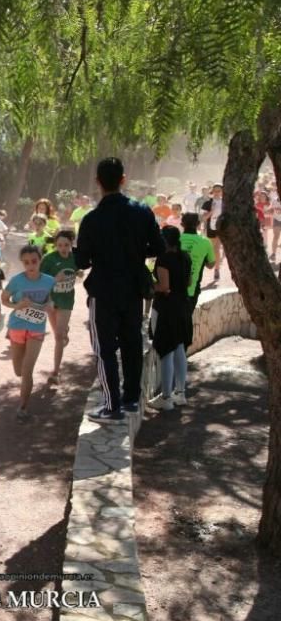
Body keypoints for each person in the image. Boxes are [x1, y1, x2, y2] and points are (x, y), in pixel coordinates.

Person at [75, 157, 164, 423]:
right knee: (131, 343)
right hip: (133, 289)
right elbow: (159, 248)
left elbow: (82, 261)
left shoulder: (91, 219)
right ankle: (131, 400)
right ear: (123, 180)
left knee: (105, 350)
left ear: (98, 182)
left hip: (103, 290)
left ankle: (111, 406)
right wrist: (138, 252)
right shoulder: (142, 212)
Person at [2, 245, 55, 419]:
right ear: (22, 263)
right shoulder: (17, 280)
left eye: (34, 261)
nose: (30, 265)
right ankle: (24, 397)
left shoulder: (49, 281)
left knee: (27, 370)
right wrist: (16, 306)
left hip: (36, 329)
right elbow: (4, 300)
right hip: (17, 326)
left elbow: (53, 302)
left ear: (40, 261)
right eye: (26, 263)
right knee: (18, 371)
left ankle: (23, 408)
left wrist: (51, 306)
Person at [147, 226, 193, 412]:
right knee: (180, 347)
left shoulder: (163, 259)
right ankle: (180, 393)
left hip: (166, 308)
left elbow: (164, 287)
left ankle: (165, 397)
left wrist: (148, 283)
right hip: (183, 306)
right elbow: (189, 281)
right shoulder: (185, 256)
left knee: (166, 350)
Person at [40, 230, 78, 384]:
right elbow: (41, 281)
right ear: (55, 245)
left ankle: (55, 371)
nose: (63, 248)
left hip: (67, 301)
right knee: (58, 334)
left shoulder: (76, 257)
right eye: (60, 245)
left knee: (58, 337)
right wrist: (56, 279)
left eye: (66, 245)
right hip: (51, 300)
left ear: (71, 244)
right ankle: (64, 332)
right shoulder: (49, 259)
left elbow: (80, 268)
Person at [179, 212, 216, 313]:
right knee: (186, 321)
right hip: (192, 290)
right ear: (198, 224)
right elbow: (211, 264)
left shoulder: (175, 239)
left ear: (182, 224)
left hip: (172, 290)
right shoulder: (205, 242)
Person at [200, 183, 225, 280]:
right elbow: (204, 218)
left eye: (219, 191)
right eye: (215, 191)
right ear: (212, 191)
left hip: (222, 228)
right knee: (211, 249)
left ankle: (217, 270)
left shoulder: (225, 203)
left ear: (222, 192)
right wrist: (212, 211)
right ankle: (207, 263)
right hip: (211, 228)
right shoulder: (207, 203)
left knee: (217, 249)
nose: (217, 193)